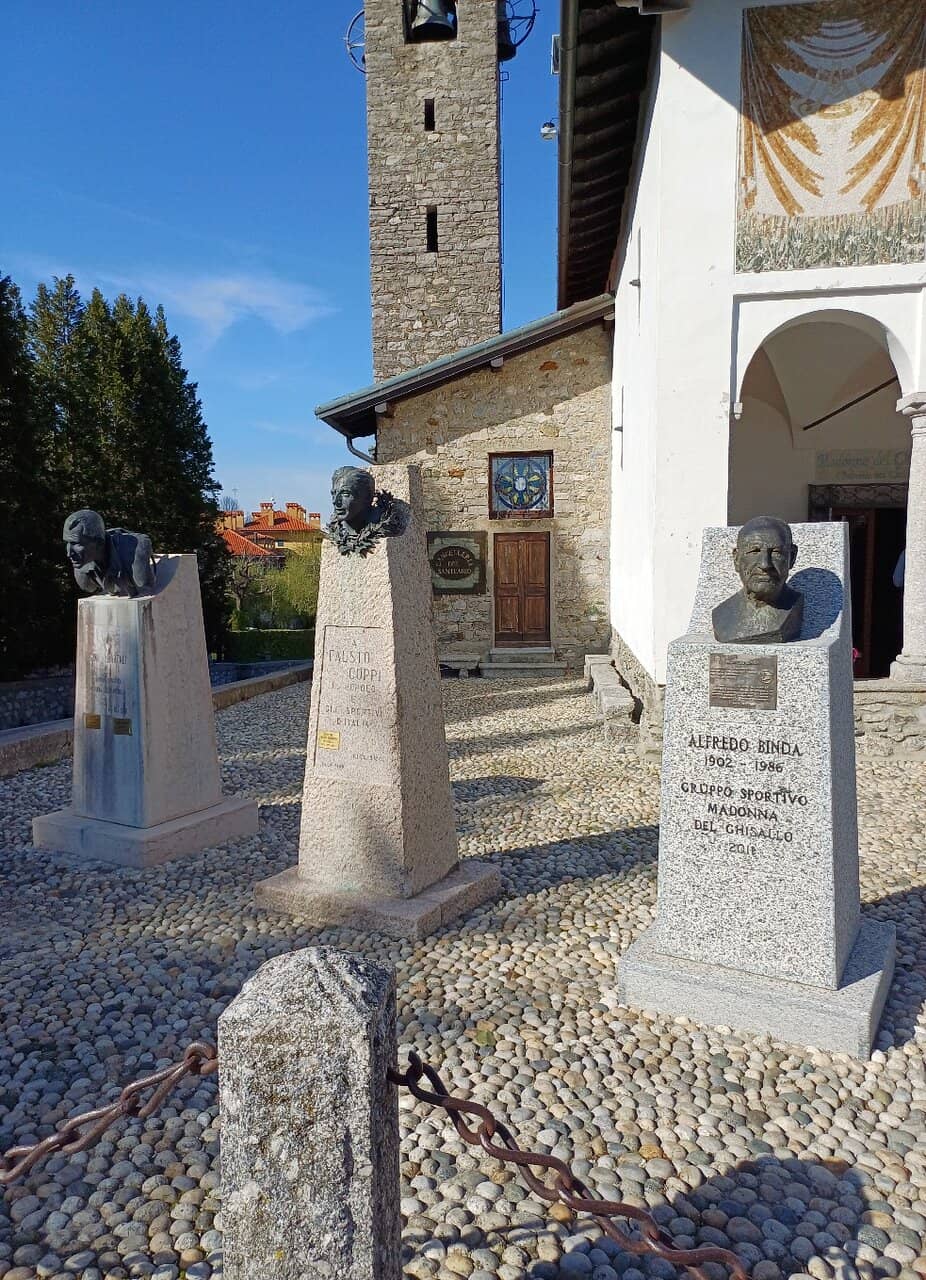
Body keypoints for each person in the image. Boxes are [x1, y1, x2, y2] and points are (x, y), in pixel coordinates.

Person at [712, 515, 804, 644]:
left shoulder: (794, 608)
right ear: (737, 559)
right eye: (754, 551)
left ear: (792, 557)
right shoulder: (722, 615)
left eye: (776, 552)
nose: (765, 564)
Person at [63, 509, 156, 597]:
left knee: (140, 581)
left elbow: (145, 586)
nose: (69, 553)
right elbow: (88, 588)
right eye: (68, 543)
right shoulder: (82, 562)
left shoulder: (135, 551)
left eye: (76, 544)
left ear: (98, 542)